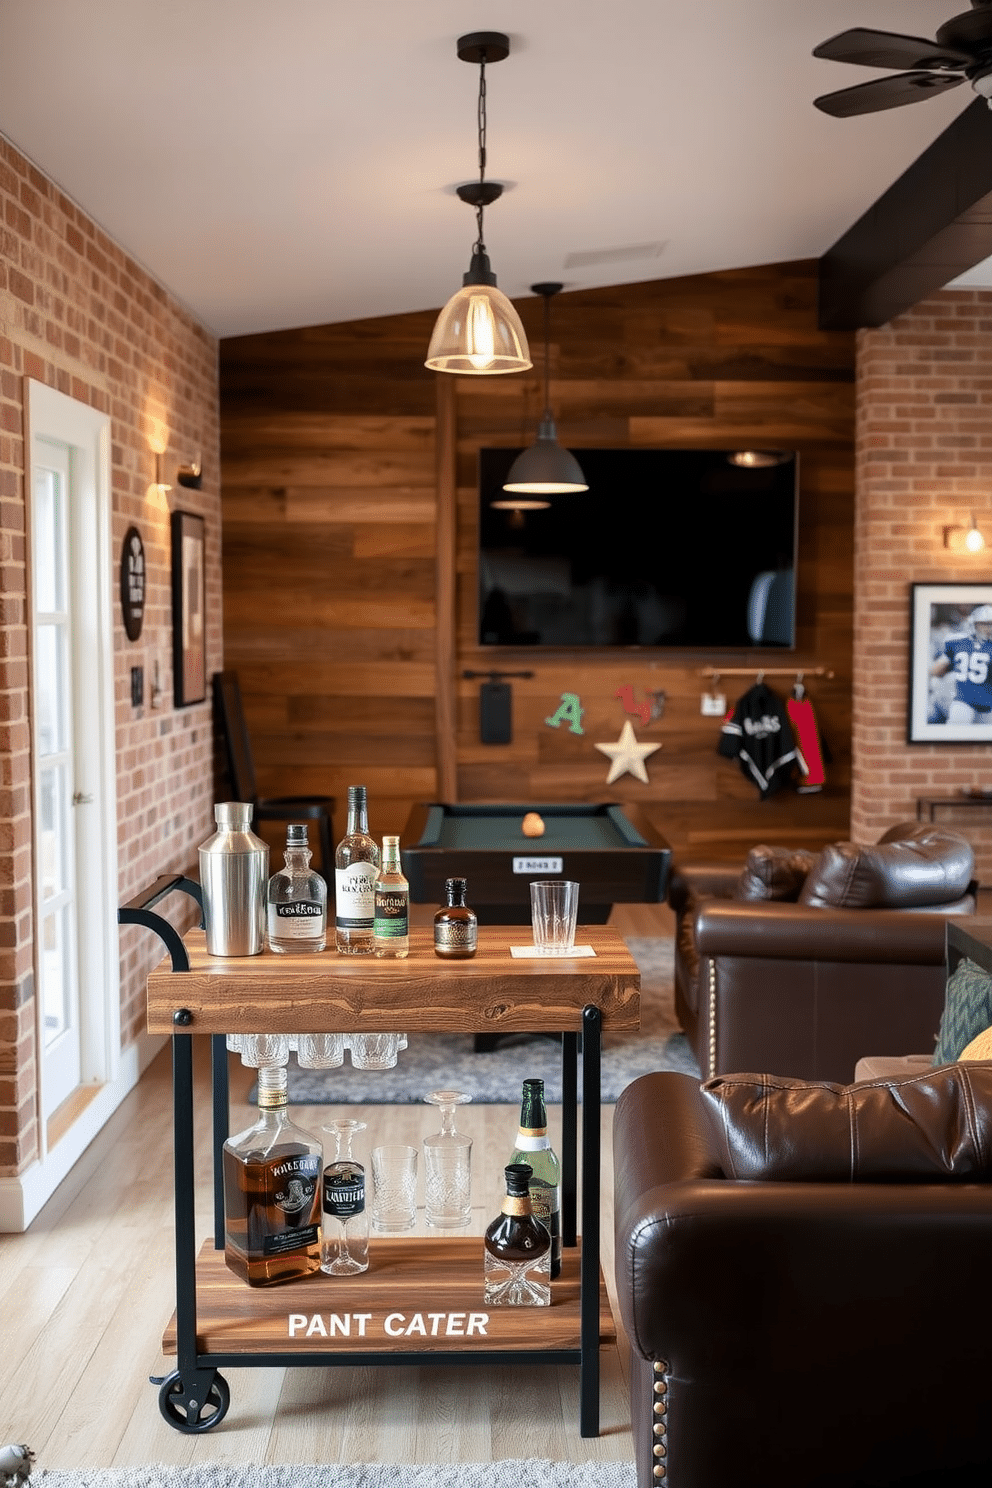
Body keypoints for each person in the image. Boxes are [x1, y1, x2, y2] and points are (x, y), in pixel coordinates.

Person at [930, 604, 992, 723]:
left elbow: (936, 671)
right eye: (986, 624)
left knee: (955, 737)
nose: (989, 628)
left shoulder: (957, 641)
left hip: (963, 702)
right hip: (980, 702)